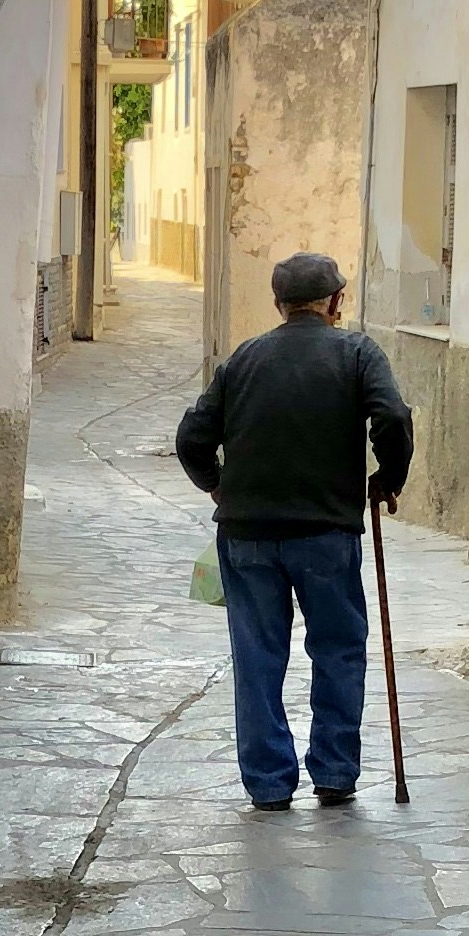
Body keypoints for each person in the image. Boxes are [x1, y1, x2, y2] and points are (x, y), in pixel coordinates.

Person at [175, 252, 413, 809]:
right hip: (326, 534)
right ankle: (334, 774)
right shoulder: (356, 352)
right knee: (338, 649)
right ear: (336, 301)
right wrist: (387, 478)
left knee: (256, 656)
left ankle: (268, 784)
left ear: (278, 304)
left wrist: (217, 484)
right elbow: (394, 418)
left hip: (246, 534)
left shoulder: (244, 359)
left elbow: (192, 437)